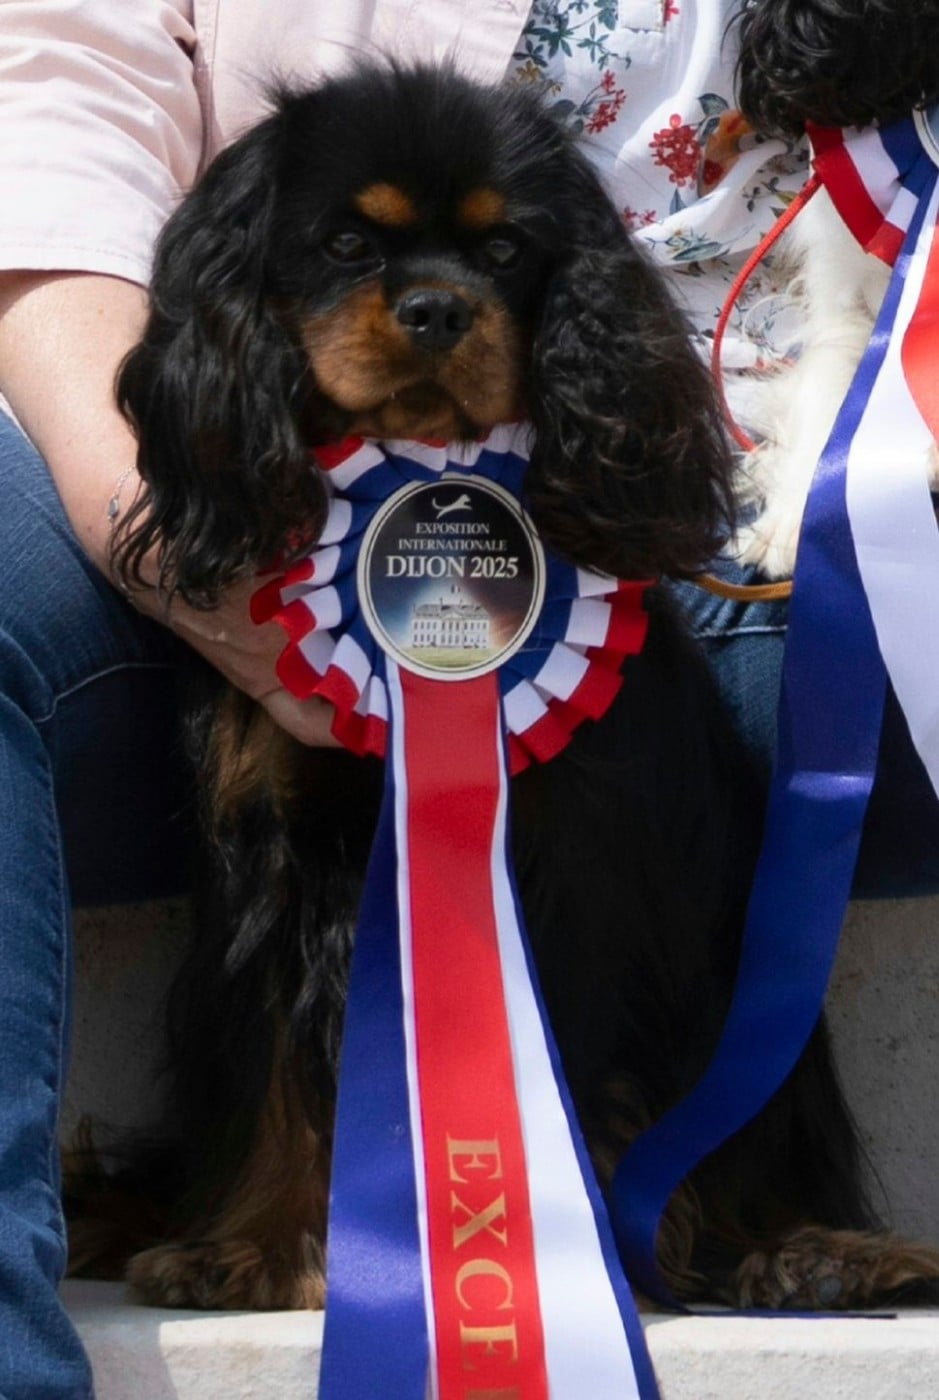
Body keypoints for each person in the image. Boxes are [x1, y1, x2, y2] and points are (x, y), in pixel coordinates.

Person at [0, 3, 934, 1394]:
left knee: (629, 832)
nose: (433, 303)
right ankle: (251, 1203)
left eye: (494, 261)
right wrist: (190, 561)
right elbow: (52, 112)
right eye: (361, 254)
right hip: (265, 522)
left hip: (764, 507)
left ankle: (709, 1206)